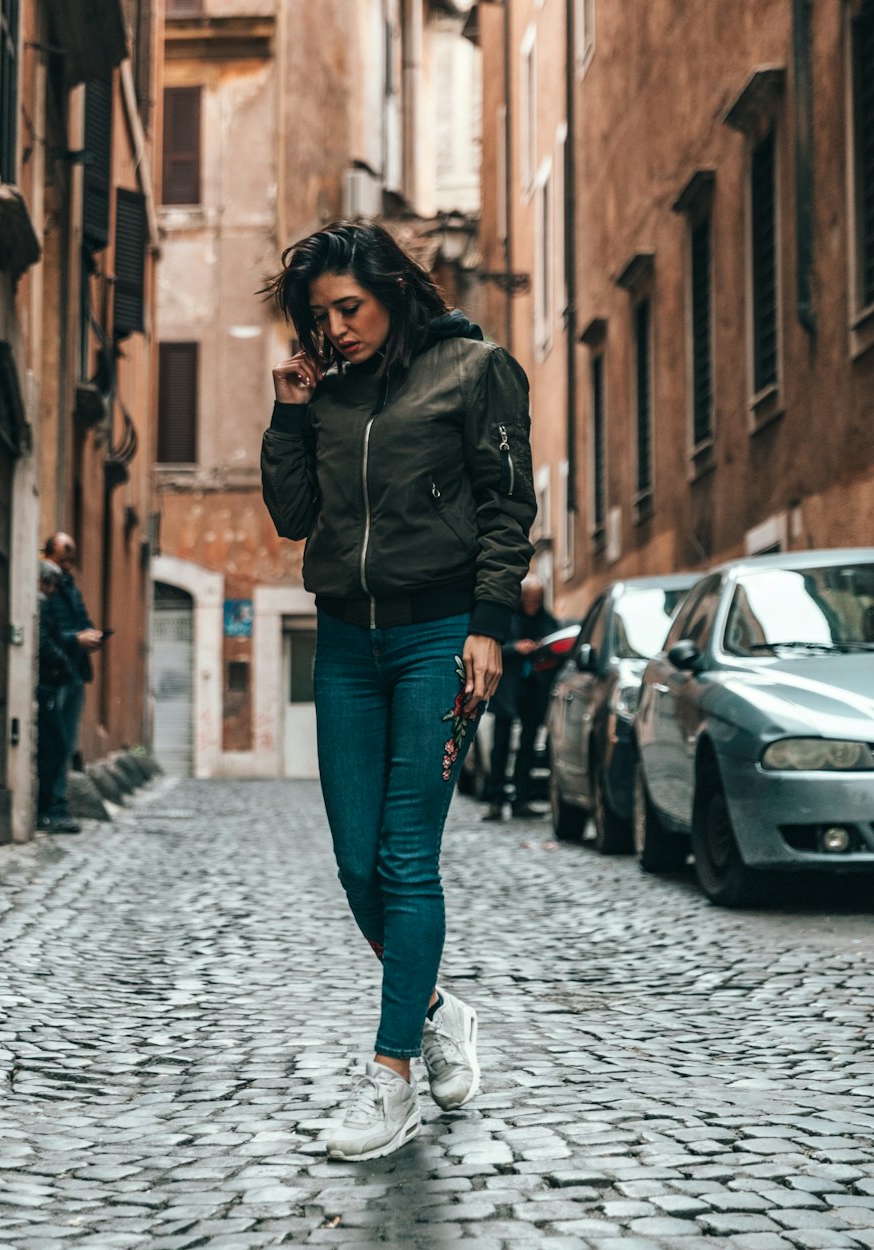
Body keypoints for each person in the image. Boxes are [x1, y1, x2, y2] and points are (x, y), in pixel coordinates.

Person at [261, 220, 536, 1161]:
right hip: (344, 643)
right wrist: (289, 409)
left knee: (406, 859)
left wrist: (489, 625)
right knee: (354, 864)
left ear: (394, 291)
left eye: (350, 307)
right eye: (319, 314)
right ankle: (434, 1008)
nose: (334, 328)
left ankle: (391, 1079)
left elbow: (507, 505)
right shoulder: (327, 397)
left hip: (435, 640)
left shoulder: (476, 369)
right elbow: (296, 513)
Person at [482, 577, 560, 821]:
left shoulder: (548, 621)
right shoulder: (508, 619)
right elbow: (493, 648)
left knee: (527, 745)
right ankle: (496, 799)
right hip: (507, 688)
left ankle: (521, 799)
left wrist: (540, 648)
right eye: (528, 598)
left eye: (537, 599)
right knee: (500, 746)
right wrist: (517, 648)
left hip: (534, 690)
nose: (532, 603)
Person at [43, 533, 104, 834]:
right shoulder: (47, 585)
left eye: (71, 560)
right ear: (50, 554)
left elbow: (81, 618)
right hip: (57, 672)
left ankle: (58, 804)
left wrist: (92, 634)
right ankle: (52, 807)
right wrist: (75, 639)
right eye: (63, 559)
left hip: (75, 670)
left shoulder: (69, 586)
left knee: (65, 743)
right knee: (57, 742)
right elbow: (49, 631)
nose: (68, 565)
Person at [36, 560, 74, 832]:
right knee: (56, 746)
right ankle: (45, 809)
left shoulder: (43, 602)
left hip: (48, 684)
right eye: (51, 585)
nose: (52, 591)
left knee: (55, 746)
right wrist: (63, 661)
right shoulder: (40, 602)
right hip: (45, 684)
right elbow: (43, 640)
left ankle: (46, 807)